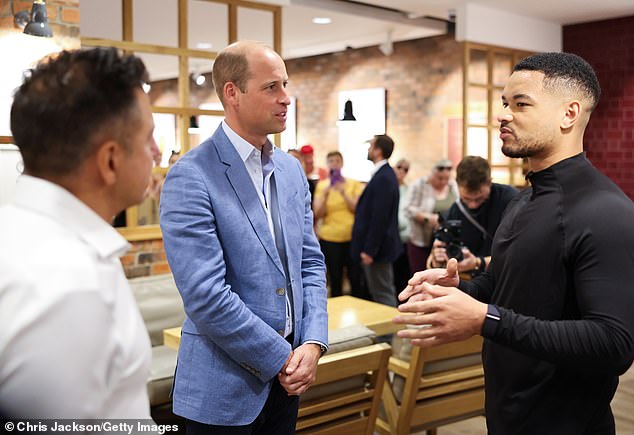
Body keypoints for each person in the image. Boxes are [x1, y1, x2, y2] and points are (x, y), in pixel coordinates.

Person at [395, 52, 634, 435]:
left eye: (520, 104)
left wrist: (483, 318)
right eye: (504, 103)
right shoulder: (523, 200)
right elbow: (508, 285)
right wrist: (462, 292)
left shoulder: (606, 211)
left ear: (568, 114)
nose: (501, 115)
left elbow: (614, 342)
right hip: (508, 417)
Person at [159, 41, 328, 434]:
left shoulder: (290, 170)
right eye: (271, 87)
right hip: (221, 390)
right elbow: (206, 295)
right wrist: (282, 358)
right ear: (232, 93)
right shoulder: (192, 175)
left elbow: (310, 263)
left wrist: (314, 342)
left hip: (288, 384)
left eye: (285, 84)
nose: (286, 98)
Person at [0, 48, 155, 417]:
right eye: (149, 137)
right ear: (110, 160)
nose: (157, 152)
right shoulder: (69, 285)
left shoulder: (18, 231)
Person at [427, 156, 517, 275]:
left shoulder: (510, 199)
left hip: (504, 279)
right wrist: (437, 259)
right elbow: (430, 263)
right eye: (466, 199)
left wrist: (478, 262)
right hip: (470, 283)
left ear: (489, 182)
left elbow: (520, 254)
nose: (473, 205)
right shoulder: (456, 210)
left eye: (479, 199)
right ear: (457, 186)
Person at [351, 134, 402, 306]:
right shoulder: (382, 174)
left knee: (383, 294)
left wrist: (370, 250)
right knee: (379, 292)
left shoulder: (384, 177)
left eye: (371, 146)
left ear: (378, 151)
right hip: (377, 247)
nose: (368, 149)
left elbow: (379, 218)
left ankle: (391, 332)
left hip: (378, 250)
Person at [313, 151, 364, 297]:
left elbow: (357, 208)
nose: (334, 164)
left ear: (342, 163)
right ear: (327, 165)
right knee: (335, 277)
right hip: (330, 238)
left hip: (351, 238)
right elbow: (317, 213)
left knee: (355, 276)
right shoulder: (322, 186)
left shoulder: (353, 184)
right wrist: (326, 194)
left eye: (337, 161)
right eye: (331, 161)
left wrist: (343, 193)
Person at [405, 158, 458, 273]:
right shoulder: (419, 185)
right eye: (440, 178)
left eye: (446, 178)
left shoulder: (453, 186)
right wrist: (427, 218)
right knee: (421, 274)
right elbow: (408, 209)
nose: (443, 182)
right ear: (432, 174)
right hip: (421, 240)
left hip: (445, 241)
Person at [393, 158, 412, 293]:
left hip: (406, 237)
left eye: (405, 169)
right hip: (393, 236)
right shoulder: (389, 186)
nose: (401, 171)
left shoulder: (409, 189)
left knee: (403, 273)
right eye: (399, 167)